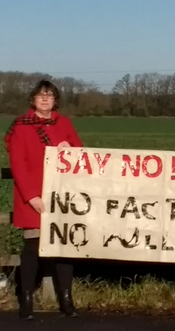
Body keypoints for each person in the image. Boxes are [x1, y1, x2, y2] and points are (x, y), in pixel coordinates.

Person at [4, 80, 83, 320]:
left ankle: (66, 300)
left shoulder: (64, 123)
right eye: (41, 96)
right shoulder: (21, 126)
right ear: (33, 100)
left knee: (64, 248)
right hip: (33, 197)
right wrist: (31, 196)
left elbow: (80, 152)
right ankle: (26, 299)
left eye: (49, 96)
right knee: (32, 249)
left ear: (55, 100)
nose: (45, 99)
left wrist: (70, 147)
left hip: (61, 196)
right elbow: (18, 164)